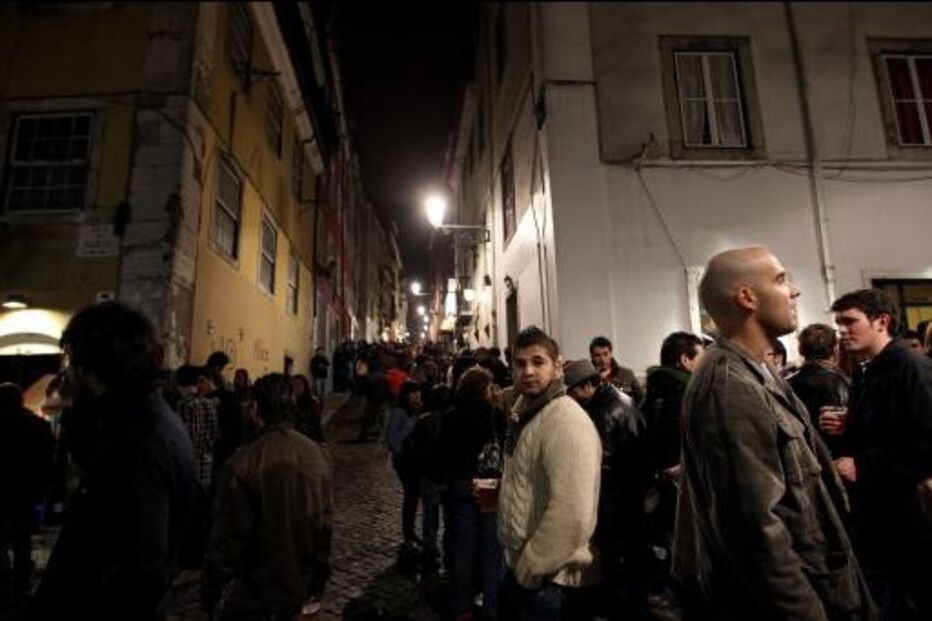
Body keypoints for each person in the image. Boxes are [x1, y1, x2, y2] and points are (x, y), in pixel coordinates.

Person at [672, 247, 875, 620]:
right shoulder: (730, 386)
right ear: (747, 298)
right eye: (781, 280)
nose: (794, 291)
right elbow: (756, 534)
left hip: (825, 583)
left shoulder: (757, 372)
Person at [29, 302, 195, 620]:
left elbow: (141, 569)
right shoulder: (139, 420)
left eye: (70, 363)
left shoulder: (139, 441)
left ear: (88, 367)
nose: (67, 373)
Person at [831, 289, 932, 619]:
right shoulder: (866, 370)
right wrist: (851, 424)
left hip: (907, 514)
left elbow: (926, 443)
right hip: (878, 513)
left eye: (849, 321)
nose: (841, 330)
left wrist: (863, 463)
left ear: (881, 322)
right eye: (838, 323)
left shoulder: (911, 367)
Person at [202, 374, 333, 620]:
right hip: (297, 584)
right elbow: (324, 524)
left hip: (253, 594)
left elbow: (229, 537)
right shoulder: (316, 455)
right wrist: (318, 578)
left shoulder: (242, 462)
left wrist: (212, 588)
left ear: (255, 410)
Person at [498, 327, 602, 620]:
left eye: (538, 361)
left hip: (550, 580)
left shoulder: (565, 421)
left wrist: (532, 567)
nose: (528, 371)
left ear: (558, 366)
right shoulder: (528, 412)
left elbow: (572, 512)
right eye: (520, 364)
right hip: (527, 572)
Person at [564, 359, 653, 620]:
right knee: (631, 560)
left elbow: (601, 464)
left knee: (614, 561)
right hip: (633, 494)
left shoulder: (601, 411)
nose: (569, 398)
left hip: (616, 499)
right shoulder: (620, 398)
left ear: (586, 386)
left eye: (571, 391)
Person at [640, 331, 705, 605]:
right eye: (700, 357)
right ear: (685, 359)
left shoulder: (653, 391)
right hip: (682, 484)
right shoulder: (689, 393)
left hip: (658, 483)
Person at [439, 367, 507, 620]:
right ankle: (491, 607)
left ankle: (463, 608)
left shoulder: (451, 416)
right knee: (491, 550)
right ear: (485, 388)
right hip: (489, 485)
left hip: (460, 485)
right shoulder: (494, 415)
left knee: (463, 549)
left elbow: (443, 451)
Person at [0, 383, 54, 616]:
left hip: (1, 492)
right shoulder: (37, 425)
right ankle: (21, 585)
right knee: (22, 540)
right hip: (25, 491)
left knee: (1, 540)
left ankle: (4, 586)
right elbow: (46, 460)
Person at [174, 365, 220, 568]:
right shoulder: (209, 404)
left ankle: (189, 556)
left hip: (189, 464)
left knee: (188, 512)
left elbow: (185, 438)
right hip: (207, 462)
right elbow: (214, 434)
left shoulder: (184, 404)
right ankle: (202, 552)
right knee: (203, 509)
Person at [787, 323, 850, 457]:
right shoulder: (840, 382)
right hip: (837, 460)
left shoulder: (787, 383)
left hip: (803, 456)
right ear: (835, 349)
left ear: (801, 350)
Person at [385, 381, 424, 563]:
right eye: (413, 393)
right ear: (405, 395)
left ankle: (410, 533)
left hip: (415, 460)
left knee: (413, 496)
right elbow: (392, 437)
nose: (416, 396)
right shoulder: (399, 412)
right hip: (404, 461)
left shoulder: (418, 411)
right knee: (411, 495)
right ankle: (408, 534)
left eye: (418, 393)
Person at [589, 336, 644, 404]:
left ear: (611, 354)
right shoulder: (588, 379)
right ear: (592, 357)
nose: (602, 359)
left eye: (605, 354)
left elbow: (642, 399)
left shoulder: (626, 374)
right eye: (597, 355)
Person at [291, 374, 324, 443]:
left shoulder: (311, 403)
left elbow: (317, 422)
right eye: (293, 385)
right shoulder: (289, 403)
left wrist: (321, 440)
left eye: (298, 385)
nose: (295, 388)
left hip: (308, 438)